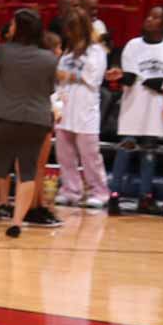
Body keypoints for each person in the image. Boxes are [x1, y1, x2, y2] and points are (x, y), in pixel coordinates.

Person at [0, 9, 58, 236]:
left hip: (4, 116)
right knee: (27, 170)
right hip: (37, 120)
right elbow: (51, 89)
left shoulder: (3, 52)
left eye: (14, 23)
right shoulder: (49, 58)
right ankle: (17, 223)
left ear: (20, 27)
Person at [106, 6, 163, 209]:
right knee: (125, 150)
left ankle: (145, 196)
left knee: (149, 154)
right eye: (149, 15)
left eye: (155, 17)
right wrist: (120, 76)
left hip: (156, 109)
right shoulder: (132, 45)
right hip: (133, 107)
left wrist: (152, 81)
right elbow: (130, 77)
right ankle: (114, 194)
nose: (148, 19)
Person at [53, 14, 109, 208]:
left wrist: (68, 75)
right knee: (64, 153)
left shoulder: (96, 51)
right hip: (65, 106)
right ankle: (70, 190)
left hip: (86, 108)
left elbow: (92, 78)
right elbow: (57, 77)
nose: (68, 32)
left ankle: (99, 192)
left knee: (90, 154)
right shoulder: (67, 52)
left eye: (72, 27)